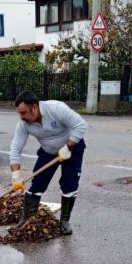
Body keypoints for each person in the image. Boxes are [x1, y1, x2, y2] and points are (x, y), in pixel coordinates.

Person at [9, 90, 88, 235]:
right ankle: (26, 221)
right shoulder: (24, 123)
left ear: (34, 107)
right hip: (48, 151)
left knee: (69, 184)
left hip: (72, 148)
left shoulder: (56, 109)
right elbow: (16, 148)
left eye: (24, 113)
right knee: (37, 183)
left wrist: (68, 147)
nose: (22, 117)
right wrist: (15, 174)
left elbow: (80, 125)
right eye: (19, 113)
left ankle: (64, 221)